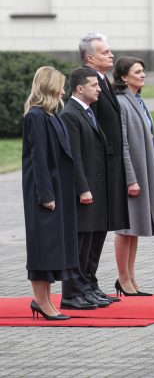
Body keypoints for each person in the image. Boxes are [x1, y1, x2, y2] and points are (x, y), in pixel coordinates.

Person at [21, 66, 78, 321]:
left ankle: (46, 302)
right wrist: (46, 195)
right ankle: (41, 303)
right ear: (50, 87)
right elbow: (39, 159)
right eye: (60, 85)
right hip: (43, 191)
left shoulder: (52, 114)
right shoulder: (35, 116)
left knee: (53, 246)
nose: (64, 90)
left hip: (58, 189)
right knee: (42, 247)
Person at [79, 32, 129, 303]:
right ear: (89, 57)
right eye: (104, 52)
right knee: (93, 228)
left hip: (108, 166)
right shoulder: (85, 82)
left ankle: (91, 282)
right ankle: (83, 285)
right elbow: (89, 126)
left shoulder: (102, 80)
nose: (111, 55)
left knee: (101, 227)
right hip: (97, 168)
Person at [112, 56, 154, 296]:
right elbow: (122, 143)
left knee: (135, 228)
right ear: (124, 77)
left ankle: (130, 277)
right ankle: (123, 279)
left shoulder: (139, 101)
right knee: (125, 228)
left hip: (144, 171)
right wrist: (130, 178)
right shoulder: (121, 103)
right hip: (131, 175)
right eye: (137, 71)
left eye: (143, 71)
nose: (143, 75)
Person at [59, 68, 111, 310]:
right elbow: (74, 157)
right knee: (80, 244)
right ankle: (72, 293)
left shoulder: (87, 111)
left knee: (92, 242)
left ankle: (87, 287)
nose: (99, 88)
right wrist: (82, 188)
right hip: (84, 191)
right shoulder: (70, 114)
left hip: (96, 189)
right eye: (94, 85)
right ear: (80, 88)